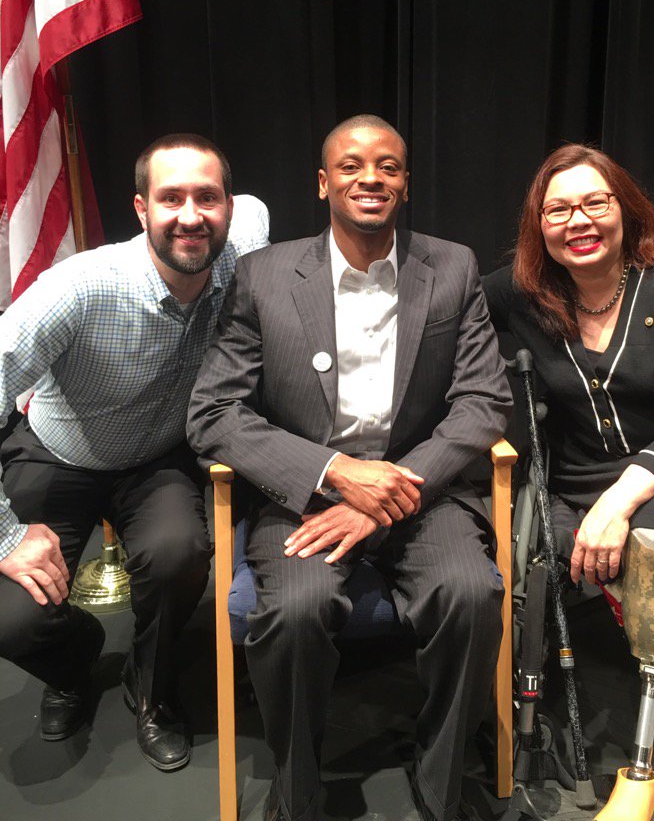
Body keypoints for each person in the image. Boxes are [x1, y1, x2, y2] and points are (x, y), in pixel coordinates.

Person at [187, 114, 513, 821]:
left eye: (389, 166)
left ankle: (442, 783)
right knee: (296, 610)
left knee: (470, 594)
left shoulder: (451, 267)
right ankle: (297, 793)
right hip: (304, 496)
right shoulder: (265, 276)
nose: (372, 177)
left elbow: (484, 402)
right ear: (323, 182)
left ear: (406, 183)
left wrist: (384, 492)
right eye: (354, 165)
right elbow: (212, 412)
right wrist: (335, 474)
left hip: (421, 489)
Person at [483, 143, 654, 821]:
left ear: (625, 210)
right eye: (557, 209)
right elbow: (440, 300)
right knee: (563, 538)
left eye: (593, 202)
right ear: (537, 226)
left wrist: (618, 502)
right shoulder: (524, 293)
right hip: (583, 479)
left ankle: (643, 771)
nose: (577, 220)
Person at [0, 133, 269, 771]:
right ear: (141, 209)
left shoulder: (243, 245)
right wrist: (9, 539)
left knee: (179, 557)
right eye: (170, 198)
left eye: (208, 198)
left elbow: (257, 209)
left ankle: (151, 687)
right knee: (12, 620)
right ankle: (73, 662)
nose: (190, 216)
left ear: (228, 206)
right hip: (59, 453)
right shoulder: (78, 288)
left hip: (156, 458)